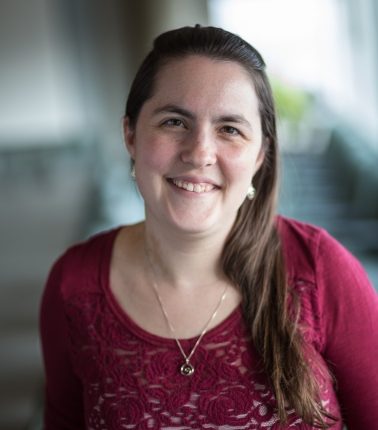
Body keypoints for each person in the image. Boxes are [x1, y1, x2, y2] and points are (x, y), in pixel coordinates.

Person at [40, 25, 378, 429]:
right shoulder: (73, 286)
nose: (200, 153)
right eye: (174, 122)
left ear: (259, 155)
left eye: (230, 129)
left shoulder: (321, 271)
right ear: (130, 134)